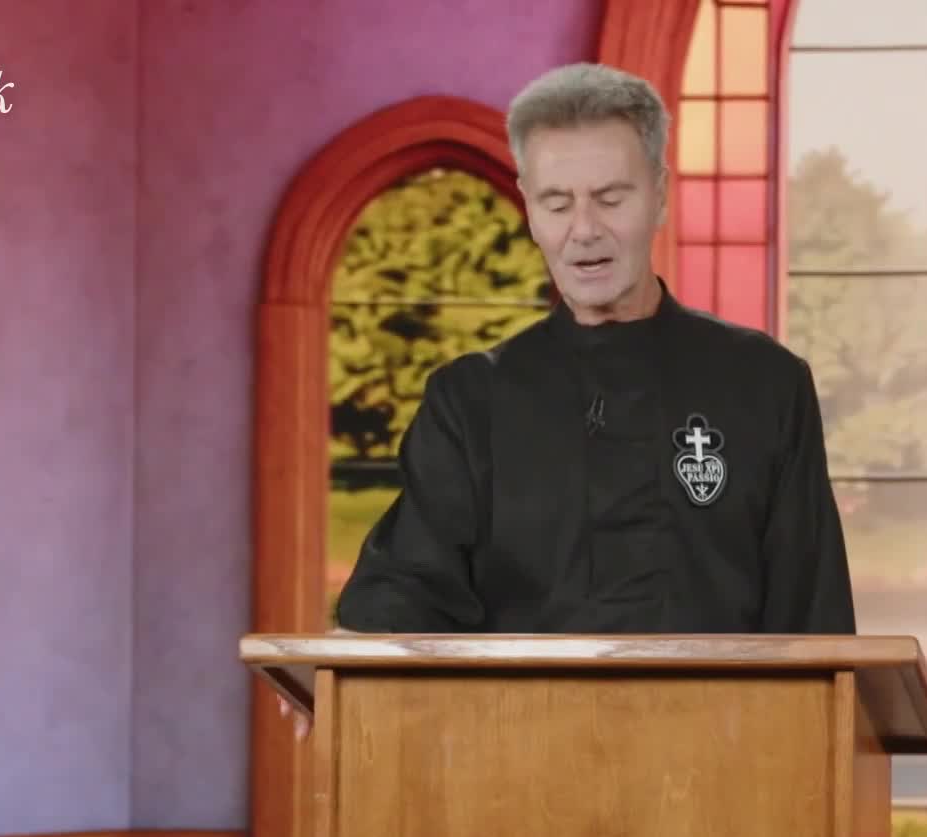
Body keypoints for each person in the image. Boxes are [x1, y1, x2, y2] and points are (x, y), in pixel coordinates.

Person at [333, 62, 855, 635]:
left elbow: (814, 620)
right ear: (528, 208)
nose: (583, 230)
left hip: (725, 726)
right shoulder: (469, 401)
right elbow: (407, 590)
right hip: (521, 726)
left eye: (610, 198)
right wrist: (343, 666)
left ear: (659, 193)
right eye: (557, 204)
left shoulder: (767, 385)